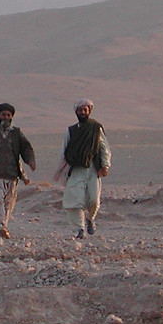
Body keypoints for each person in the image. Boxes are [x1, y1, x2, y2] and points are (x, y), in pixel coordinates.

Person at [53, 98, 110, 238]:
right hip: (76, 169)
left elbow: (104, 148)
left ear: (89, 111)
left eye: (85, 110)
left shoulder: (96, 128)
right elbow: (64, 150)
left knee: (93, 200)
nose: (83, 112)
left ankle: (90, 218)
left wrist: (105, 165)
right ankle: (79, 229)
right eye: (80, 110)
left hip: (92, 168)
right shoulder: (71, 130)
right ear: (76, 112)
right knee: (74, 201)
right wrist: (61, 170)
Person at [0, 103, 36, 239]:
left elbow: (26, 148)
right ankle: (0, 225)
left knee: (8, 203)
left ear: (11, 117)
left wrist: (30, 161)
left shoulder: (17, 133)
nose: (6, 117)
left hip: (12, 174)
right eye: (3, 114)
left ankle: (3, 226)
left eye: (8, 115)